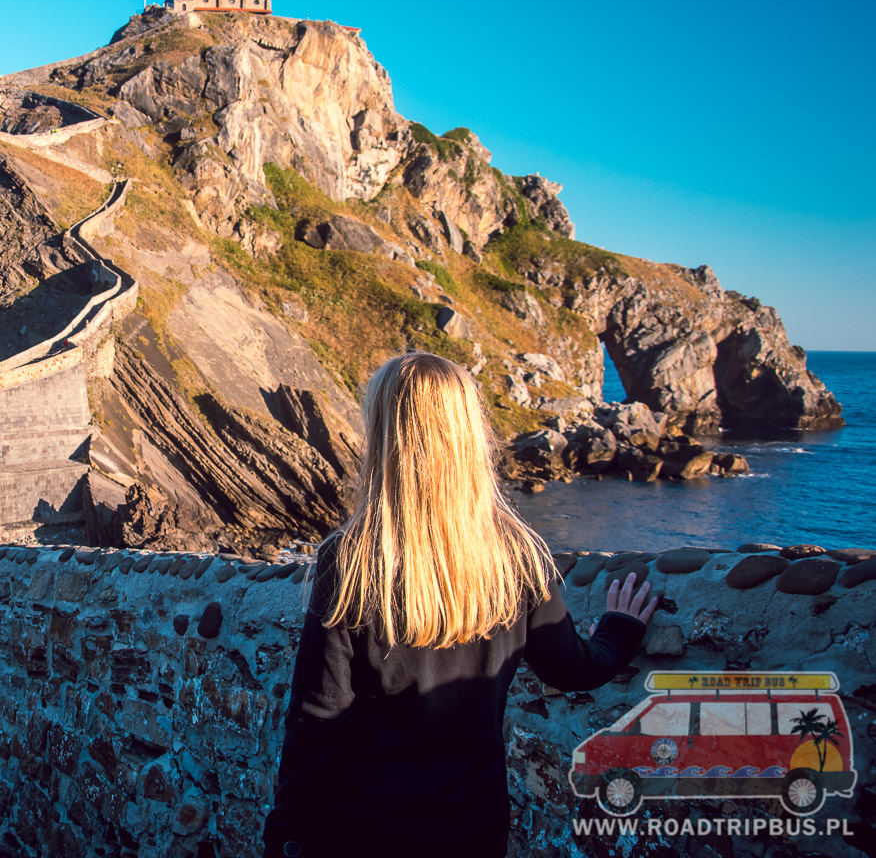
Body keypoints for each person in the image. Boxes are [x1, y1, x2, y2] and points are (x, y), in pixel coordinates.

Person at [262, 352, 658, 857]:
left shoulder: (354, 560)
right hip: (473, 826)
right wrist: (620, 627)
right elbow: (573, 668)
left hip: (362, 827)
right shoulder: (516, 555)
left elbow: (318, 720)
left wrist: (287, 834)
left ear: (386, 436)